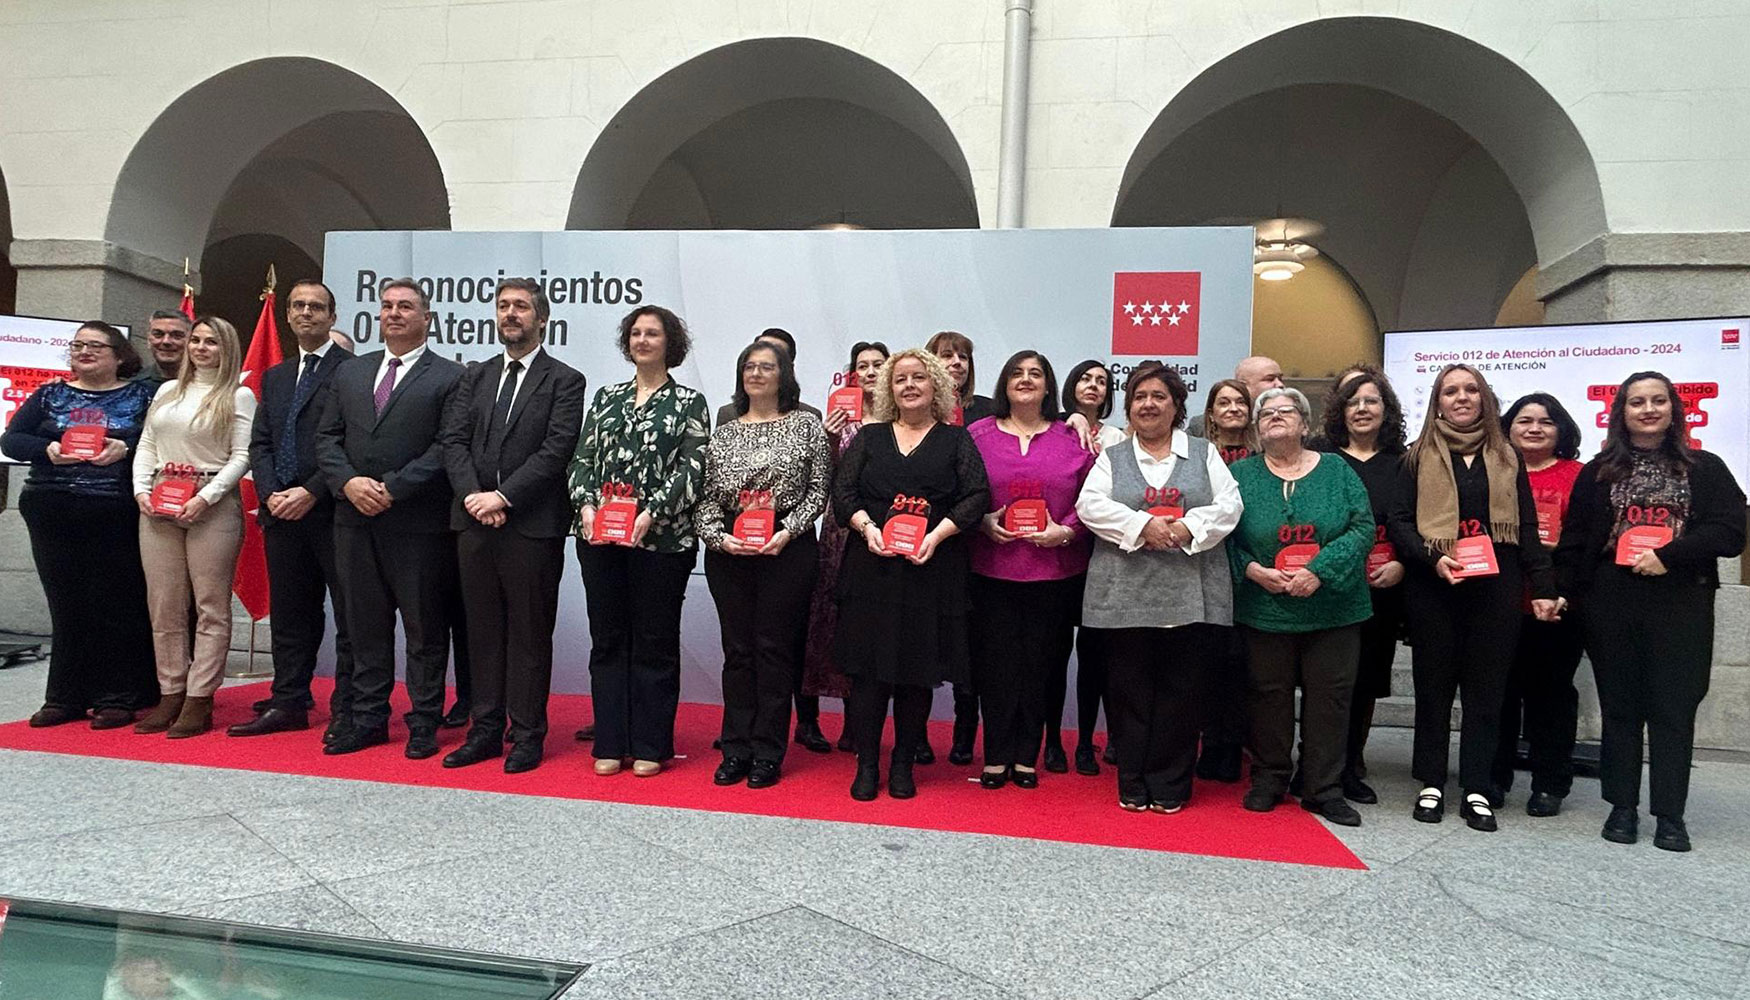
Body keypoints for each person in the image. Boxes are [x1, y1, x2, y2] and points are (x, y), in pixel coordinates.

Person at [1556, 372, 1745, 852]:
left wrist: (1670, 555)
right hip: (1611, 600)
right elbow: (1577, 540)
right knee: (1620, 707)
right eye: (1636, 402)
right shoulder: (1599, 470)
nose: (1648, 409)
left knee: (1673, 708)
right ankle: (1622, 807)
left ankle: (1670, 815)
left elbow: (1731, 532)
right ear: (1621, 412)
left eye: (1658, 401)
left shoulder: (1706, 467)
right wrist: (1562, 592)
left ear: (1673, 409)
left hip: (1681, 599)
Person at [1387, 364, 1560, 832]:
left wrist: (1543, 585)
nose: (1461, 398)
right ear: (1437, 402)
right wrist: (1433, 558)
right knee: (1434, 688)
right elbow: (1400, 522)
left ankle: (1478, 787)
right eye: (1450, 391)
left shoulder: (1507, 456)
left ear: (1484, 398)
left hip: (1495, 586)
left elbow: (1525, 526)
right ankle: (1430, 782)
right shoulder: (1414, 457)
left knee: (1487, 693)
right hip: (1434, 584)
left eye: (1470, 390)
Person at [1075, 362, 1240, 812]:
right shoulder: (1112, 458)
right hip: (1125, 597)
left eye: (1159, 397)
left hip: (1191, 596)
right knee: (1128, 695)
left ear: (1176, 406)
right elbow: (1089, 506)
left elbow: (1230, 504)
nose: (1149, 404)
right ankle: (1132, 780)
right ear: (1128, 407)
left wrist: (1187, 528)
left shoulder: (1205, 454)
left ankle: (1170, 783)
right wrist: (1143, 526)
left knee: (1182, 695)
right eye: (1139, 397)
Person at [438, 278, 586, 774]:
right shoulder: (473, 377)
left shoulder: (565, 380)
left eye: (521, 306)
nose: (510, 314)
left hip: (531, 527)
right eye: (503, 306)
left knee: (527, 634)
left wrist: (503, 496)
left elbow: (556, 450)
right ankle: (484, 730)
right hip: (474, 524)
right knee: (480, 633)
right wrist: (475, 499)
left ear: (541, 319)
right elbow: (453, 442)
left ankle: (526, 734)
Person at [316, 278, 466, 757]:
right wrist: (350, 483)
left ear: (428, 318)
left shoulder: (450, 376)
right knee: (364, 627)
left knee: (424, 629)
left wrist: (392, 488)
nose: (395, 314)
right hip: (354, 521)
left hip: (417, 524)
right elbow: (327, 438)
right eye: (387, 306)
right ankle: (367, 718)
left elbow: (448, 446)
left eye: (406, 307)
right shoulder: (351, 373)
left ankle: (424, 720)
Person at [833, 348, 990, 800]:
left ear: (936, 385)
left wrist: (936, 536)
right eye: (899, 379)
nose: (909, 385)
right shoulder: (869, 436)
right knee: (868, 675)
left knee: (915, 674)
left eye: (919, 377)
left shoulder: (955, 440)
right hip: (871, 568)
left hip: (930, 570)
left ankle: (903, 762)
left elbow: (976, 494)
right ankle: (867, 763)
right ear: (888, 388)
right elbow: (843, 492)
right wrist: (867, 529)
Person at [568, 305, 709, 778]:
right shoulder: (606, 397)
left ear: (671, 344)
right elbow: (582, 459)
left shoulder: (689, 401)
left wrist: (651, 514)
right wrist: (587, 506)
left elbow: (693, 468)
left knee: (654, 642)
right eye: (636, 333)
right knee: (607, 641)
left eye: (653, 333)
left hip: (661, 542)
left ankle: (650, 744)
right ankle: (610, 740)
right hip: (600, 540)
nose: (642, 340)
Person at [1226, 387, 1374, 826]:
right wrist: (1252, 570)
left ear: (1305, 424)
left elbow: (1362, 528)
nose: (1275, 416)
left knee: (1329, 699)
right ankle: (1270, 778)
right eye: (1266, 413)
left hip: (1333, 608)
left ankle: (1322, 788)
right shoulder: (1241, 476)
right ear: (1256, 428)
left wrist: (1320, 570)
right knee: (1267, 696)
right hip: (1264, 607)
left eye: (1285, 410)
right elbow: (1222, 535)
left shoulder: (1337, 470)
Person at [1, 322, 158, 727]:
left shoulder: (143, 394)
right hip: (51, 507)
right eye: (78, 345)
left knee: (117, 603)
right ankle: (64, 696)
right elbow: (12, 440)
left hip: (115, 509)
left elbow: (164, 441)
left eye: (95, 346)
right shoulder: (51, 393)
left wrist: (127, 447)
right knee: (67, 603)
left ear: (120, 355)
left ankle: (118, 696)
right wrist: (47, 449)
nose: (84, 351)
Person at [697, 340, 831, 789]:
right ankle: (735, 748)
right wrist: (720, 537)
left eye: (766, 366)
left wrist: (787, 531)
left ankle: (768, 751)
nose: (756, 373)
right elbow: (705, 499)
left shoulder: (806, 426)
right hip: (730, 552)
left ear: (784, 374)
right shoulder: (724, 431)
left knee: (774, 651)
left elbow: (818, 492)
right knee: (737, 652)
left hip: (785, 550)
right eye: (748, 367)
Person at [230, 280, 356, 739]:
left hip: (333, 514)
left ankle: (347, 706)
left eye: (317, 307)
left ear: (332, 316)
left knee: (348, 616)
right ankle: (289, 700)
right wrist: (270, 493)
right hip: (280, 512)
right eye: (299, 306)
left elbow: (352, 445)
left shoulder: (353, 372)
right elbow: (261, 441)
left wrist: (311, 491)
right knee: (289, 613)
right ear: (287, 315)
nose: (307, 312)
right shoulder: (276, 376)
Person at [969, 351, 1094, 789]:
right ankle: (996, 754)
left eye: (1036, 374)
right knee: (995, 668)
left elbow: (1092, 499)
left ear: (1048, 387)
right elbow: (963, 493)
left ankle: (1027, 755)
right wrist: (981, 521)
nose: (1026, 380)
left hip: (1055, 573)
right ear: (1003, 384)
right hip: (991, 572)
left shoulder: (1072, 438)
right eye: (1017, 373)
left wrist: (1068, 532)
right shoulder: (977, 435)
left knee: (1041, 668)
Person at [130, 316, 256, 738]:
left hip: (211, 504)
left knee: (209, 606)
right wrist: (141, 490)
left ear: (227, 350)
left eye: (211, 342)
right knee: (164, 604)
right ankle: (171, 692)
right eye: (197, 341)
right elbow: (147, 443)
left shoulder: (238, 396)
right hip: (159, 501)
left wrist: (207, 497)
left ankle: (200, 697)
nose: (201, 348)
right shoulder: (168, 391)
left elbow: (242, 456)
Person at [1314, 371, 1409, 804]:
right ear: (1341, 410)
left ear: (1386, 410)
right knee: (1326, 680)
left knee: (1366, 681)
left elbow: (1421, 523)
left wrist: (1404, 565)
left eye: (1372, 401)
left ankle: (1352, 763)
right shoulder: (1320, 457)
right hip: (1326, 586)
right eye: (1353, 402)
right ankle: (1315, 764)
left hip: (1381, 586)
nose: (1363, 409)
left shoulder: (1406, 463)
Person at [1491, 392, 1586, 816]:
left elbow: (1589, 539)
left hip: (1557, 601)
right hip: (1501, 600)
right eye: (1524, 420)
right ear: (1507, 429)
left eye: (1545, 422)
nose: (1534, 428)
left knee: (1552, 696)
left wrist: (1553, 546)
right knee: (1499, 694)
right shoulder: (1496, 471)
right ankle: (1494, 777)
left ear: (1561, 429)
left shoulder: (1580, 475)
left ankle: (1550, 783)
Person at [802, 340, 889, 753]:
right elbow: (825, 476)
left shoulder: (898, 417)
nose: (870, 372)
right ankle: (809, 722)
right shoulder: (839, 417)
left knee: (866, 626)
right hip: (840, 529)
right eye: (862, 366)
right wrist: (831, 438)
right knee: (824, 621)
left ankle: (858, 724)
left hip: (886, 530)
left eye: (877, 365)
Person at [924, 330, 989, 764]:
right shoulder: (915, 410)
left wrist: (1076, 418)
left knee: (971, 647)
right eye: (947, 356)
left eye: (963, 356)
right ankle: (918, 737)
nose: (957, 363)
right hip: (922, 544)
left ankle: (965, 735)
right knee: (923, 645)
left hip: (977, 543)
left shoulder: (986, 410)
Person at [1058, 359, 1126, 775]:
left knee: (1104, 653)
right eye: (1085, 377)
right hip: (1064, 552)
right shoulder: (1056, 427)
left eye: (1102, 381)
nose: (1094, 385)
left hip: (1108, 554)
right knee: (1069, 651)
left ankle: (1111, 737)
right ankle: (1079, 742)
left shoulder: (1120, 437)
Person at [1193, 377, 1256, 784]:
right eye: (1223, 402)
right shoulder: (1197, 456)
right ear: (1210, 412)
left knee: (1242, 667)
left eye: (1240, 402)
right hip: (1204, 565)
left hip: (1253, 571)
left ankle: (1233, 747)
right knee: (1208, 664)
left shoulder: (1265, 454)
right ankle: (1209, 743)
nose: (1232, 408)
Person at [712, 327, 821, 427]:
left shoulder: (808, 418)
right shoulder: (728, 415)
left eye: (767, 367)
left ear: (787, 370)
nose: (756, 373)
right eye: (750, 366)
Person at [1187, 356, 1283, 436]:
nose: (1280, 384)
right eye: (1270, 379)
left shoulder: (1288, 422)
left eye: (1280, 378)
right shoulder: (1199, 427)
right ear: (1244, 385)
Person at [134, 310, 190, 388]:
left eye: (177, 335)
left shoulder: (208, 384)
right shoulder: (134, 386)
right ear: (148, 340)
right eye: (158, 335)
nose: (166, 341)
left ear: (190, 340)